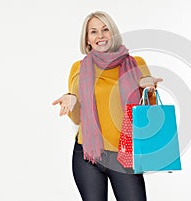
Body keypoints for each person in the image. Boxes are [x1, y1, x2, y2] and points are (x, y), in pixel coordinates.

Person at [52, 11, 162, 201]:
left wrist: (148, 89)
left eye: (105, 30)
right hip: (87, 155)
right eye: (93, 32)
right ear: (87, 39)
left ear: (113, 33)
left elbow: (148, 112)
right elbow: (78, 118)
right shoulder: (78, 68)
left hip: (124, 154)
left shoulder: (136, 64)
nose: (100, 36)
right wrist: (72, 99)